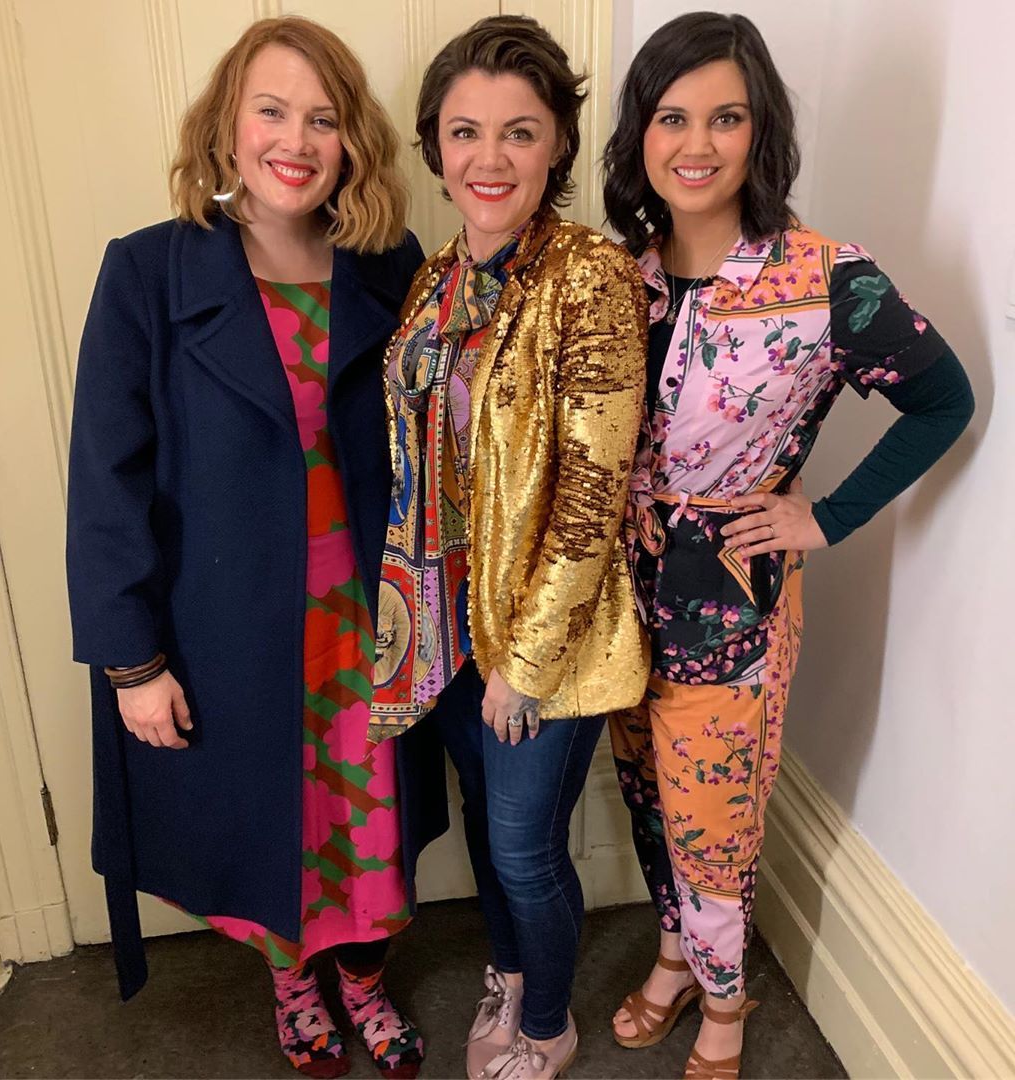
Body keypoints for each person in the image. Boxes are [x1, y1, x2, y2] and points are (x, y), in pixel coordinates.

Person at [65, 16, 448, 1078]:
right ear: (227, 127)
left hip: (372, 628)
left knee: (369, 829)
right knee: (272, 827)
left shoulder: (390, 264)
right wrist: (131, 662)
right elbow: (105, 480)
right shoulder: (148, 272)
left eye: (323, 118)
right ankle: (293, 985)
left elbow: (439, 447)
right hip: (229, 633)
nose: (296, 139)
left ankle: (362, 982)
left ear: (352, 141)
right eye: (271, 111)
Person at [601, 12, 975, 1080]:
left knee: (713, 823)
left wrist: (827, 515)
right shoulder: (619, 279)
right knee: (645, 796)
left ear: (761, 131)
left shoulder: (825, 277)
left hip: (734, 609)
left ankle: (725, 1007)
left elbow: (944, 400)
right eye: (672, 117)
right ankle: (674, 958)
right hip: (618, 603)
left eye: (726, 117)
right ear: (640, 135)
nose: (697, 144)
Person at [367, 15, 648, 1080]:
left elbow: (591, 493)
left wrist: (524, 665)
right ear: (435, 146)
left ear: (557, 145)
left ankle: (547, 1025)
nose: (490, 158)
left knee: (527, 848)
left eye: (519, 132)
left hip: (545, 638)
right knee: (489, 829)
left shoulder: (590, 276)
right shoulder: (435, 277)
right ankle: (514, 973)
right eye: (466, 132)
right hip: (447, 625)